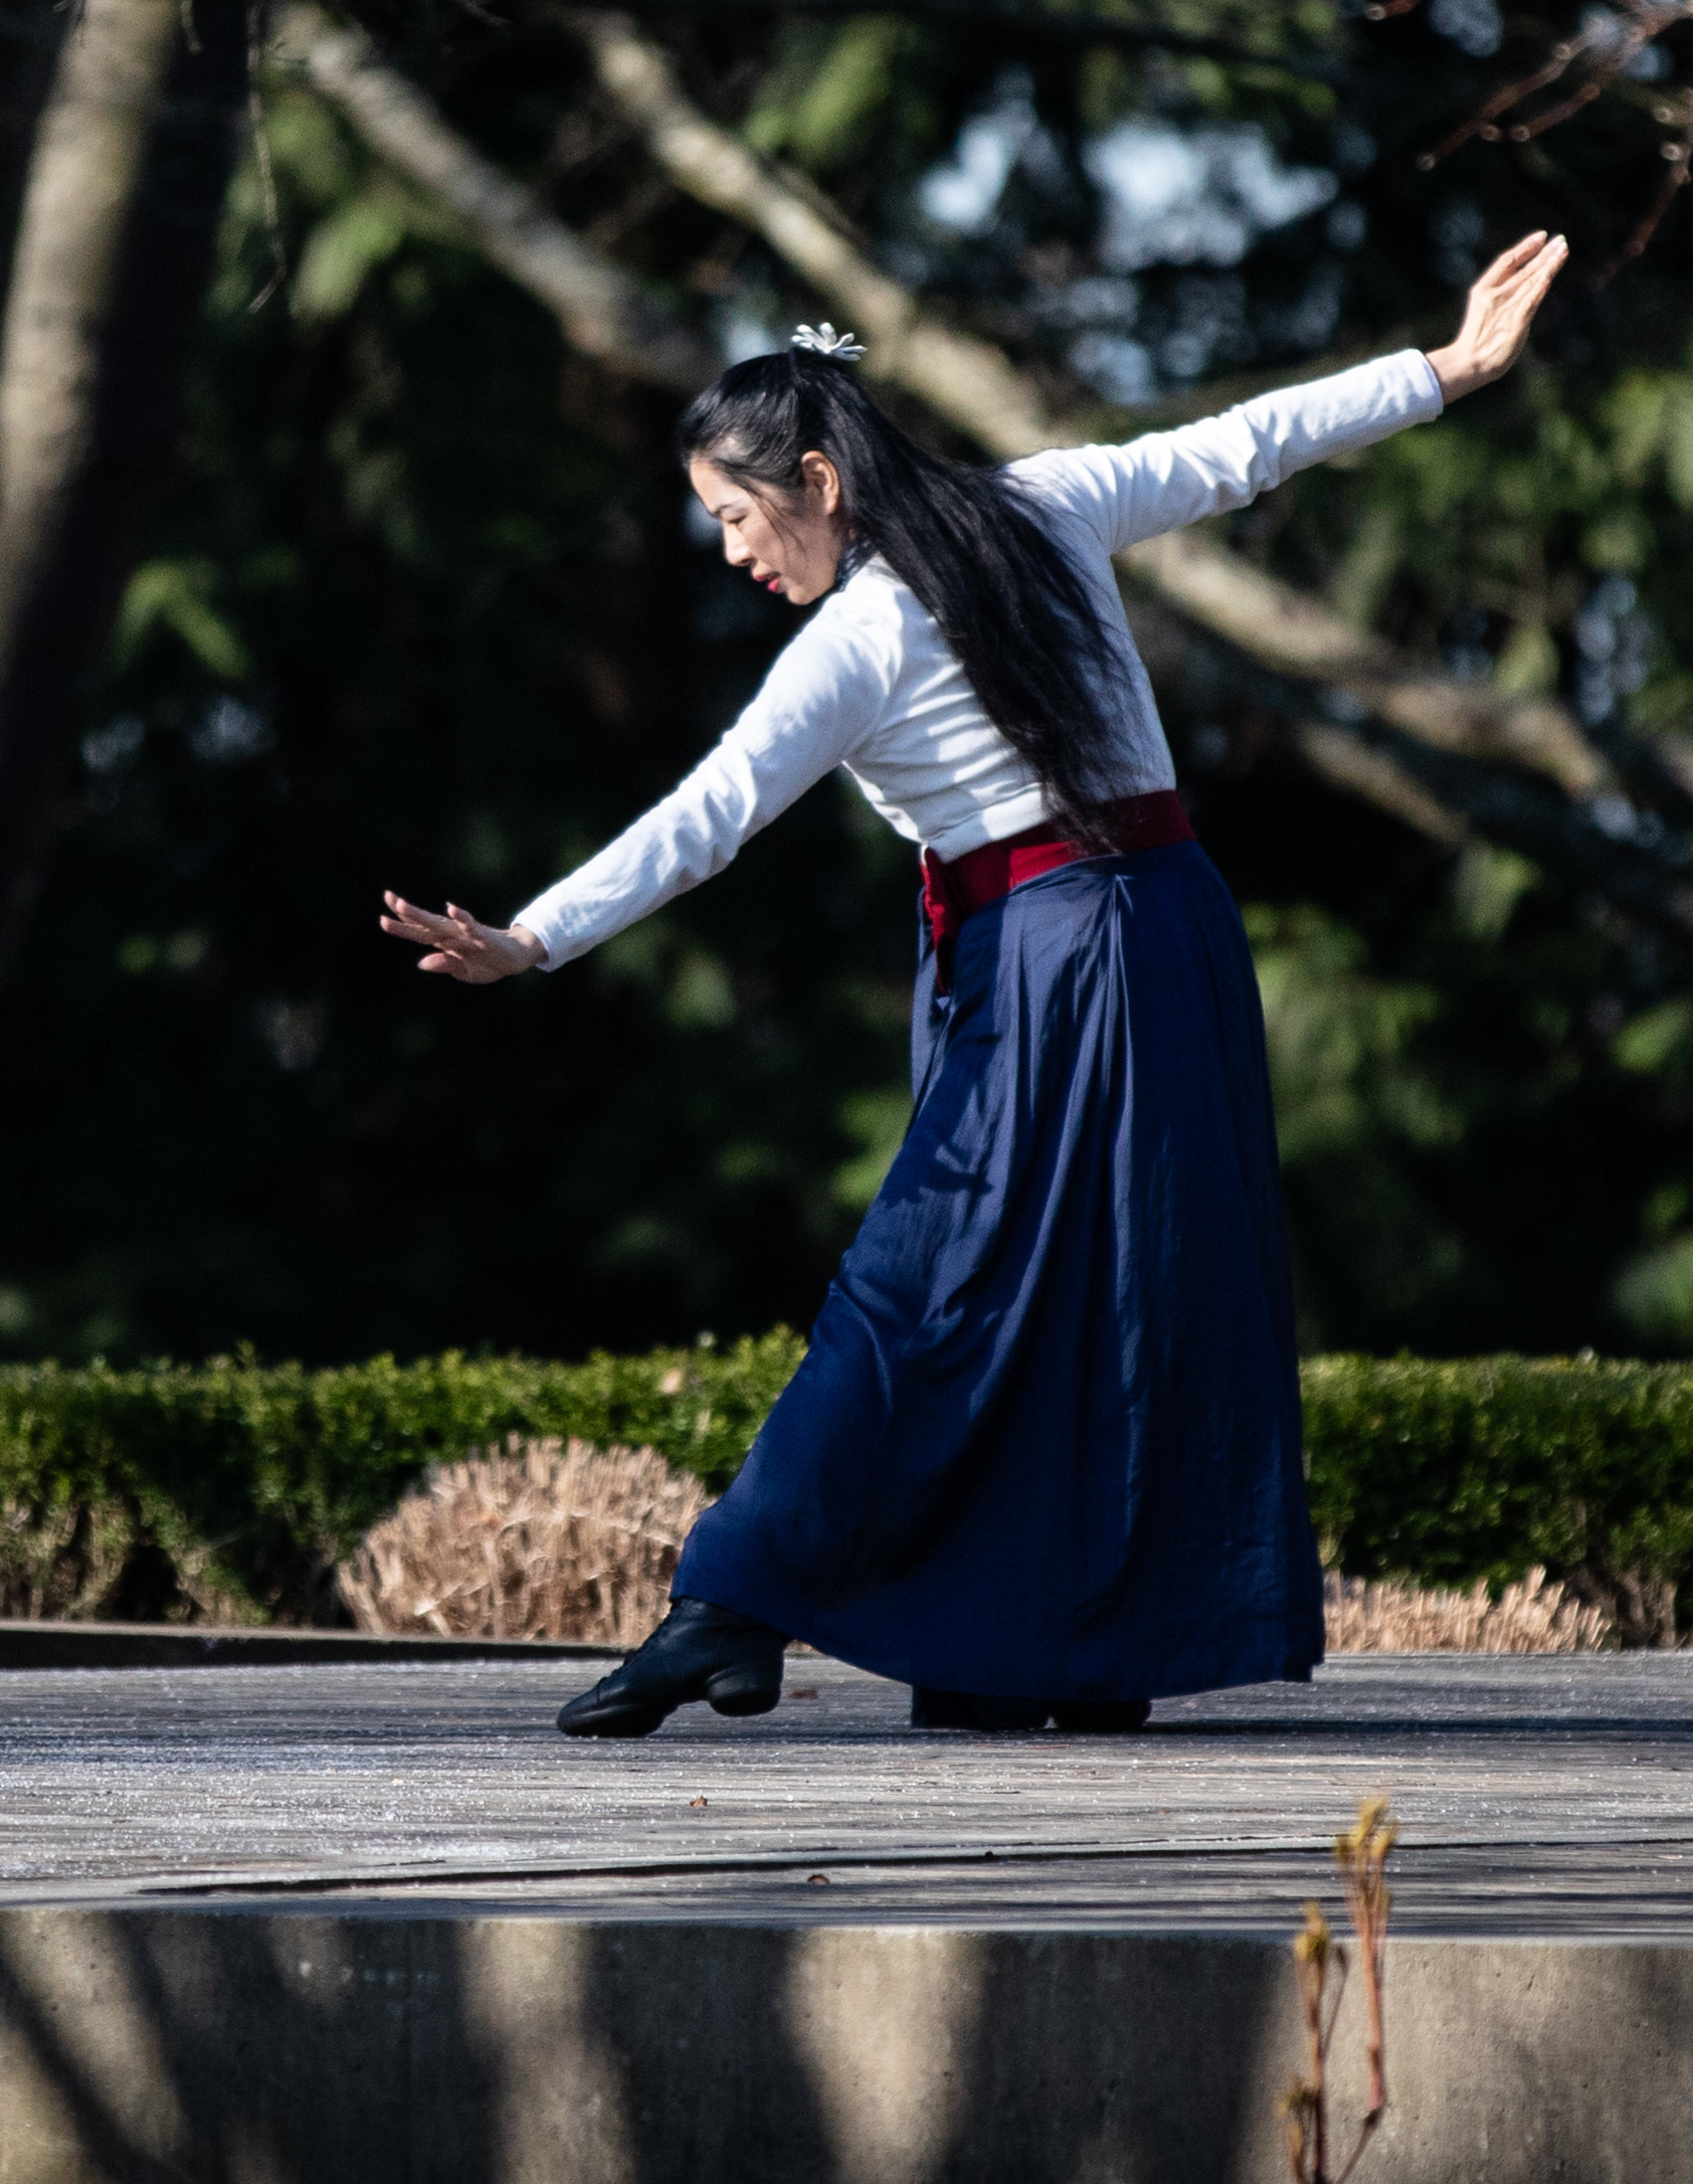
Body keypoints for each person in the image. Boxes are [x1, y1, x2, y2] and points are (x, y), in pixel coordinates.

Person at [380, 234, 1570, 1736]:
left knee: (918, 1292)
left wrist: (535, 938)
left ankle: (729, 1605)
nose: (734, 553)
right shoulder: (1045, 502)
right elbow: (1237, 450)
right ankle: (1034, 1654)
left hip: (1061, 957)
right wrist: (1443, 372)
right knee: (1105, 1294)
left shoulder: (864, 632)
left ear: (816, 478)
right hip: (1159, 940)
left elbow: (714, 810)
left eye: (736, 515)